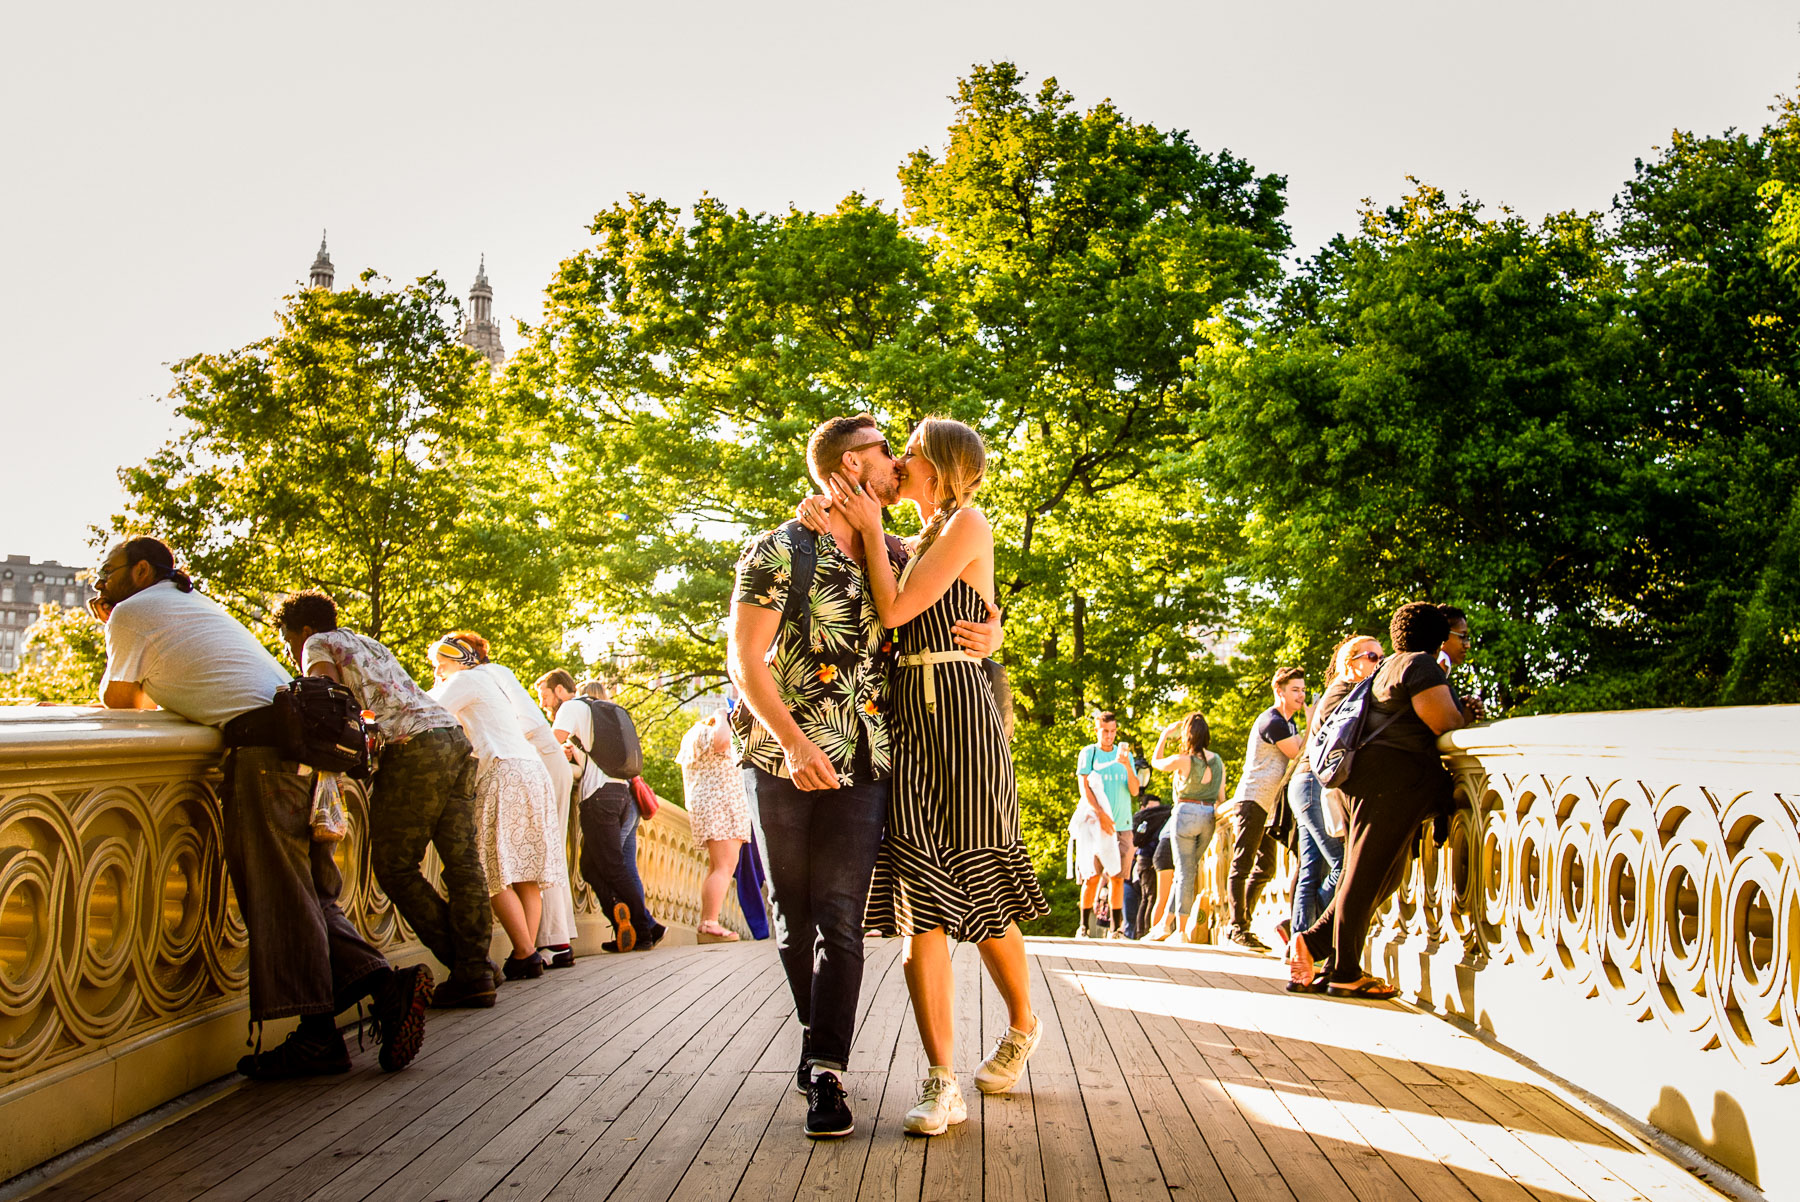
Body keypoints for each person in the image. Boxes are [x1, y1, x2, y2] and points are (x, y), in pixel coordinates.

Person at [728, 413, 1000, 1140]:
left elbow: (956, 599)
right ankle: (823, 1051)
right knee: (795, 918)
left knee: (841, 917)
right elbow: (744, 661)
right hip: (781, 758)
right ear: (852, 467)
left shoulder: (905, 551)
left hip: (867, 759)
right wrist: (791, 742)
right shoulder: (779, 548)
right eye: (887, 452)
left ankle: (826, 1072)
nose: (900, 462)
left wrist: (994, 628)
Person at [94, 538, 429, 1078]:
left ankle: (324, 1032)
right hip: (305, 748)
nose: (99, 585)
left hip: (264, 752)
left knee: (277, 891)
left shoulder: (132, 610)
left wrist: (109, 621)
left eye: (104, 575)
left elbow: (123, 701)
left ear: (138, 572)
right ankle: (379, 991)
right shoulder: (196, 605)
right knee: (309, 891)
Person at [824, 415, 1047, 1138]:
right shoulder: (911, 540)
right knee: (918, 897)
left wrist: (994, 632)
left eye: (910, 452)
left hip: (962, 718)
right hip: (909, 726)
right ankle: (941, 1080)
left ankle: (1021, 1024)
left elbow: (893, 608)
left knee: (981, 892)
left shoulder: (967, 522)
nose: (900, 461)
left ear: (939, 465)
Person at [276, 592, 494, 1010]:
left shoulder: (318, 645)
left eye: (289, 641)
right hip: (452, 737)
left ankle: (471, 968)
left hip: (414, 748)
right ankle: (476, 968)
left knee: (394, 867)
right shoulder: (368, 643)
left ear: (304, 631)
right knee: (463, 862)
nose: (291, 651)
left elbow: (323, 701)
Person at [1289, 603, 1476, 998]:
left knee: (1381, 874)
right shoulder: (1419, 665)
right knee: (1364, 876)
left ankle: (1325, 951)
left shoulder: (1389, 665)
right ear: (1436, 636)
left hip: (1369, 779)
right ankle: (1342, 971)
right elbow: (1446, 723)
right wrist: (1465, 714)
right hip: (1392, 781)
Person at [430, 636, 565, 982]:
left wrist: (436, 685)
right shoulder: (491, 679)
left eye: (439, 665)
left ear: (454, 661)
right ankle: (527, 954)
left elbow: (427, 712)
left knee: (493, 868)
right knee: (525, 871)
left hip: (502, 771)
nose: (437, 672)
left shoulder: (463, 680)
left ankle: (525, 951)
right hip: (532, 771)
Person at [535, 670, 664, 954]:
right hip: (620, 793)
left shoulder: (570, 707)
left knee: (612, 866)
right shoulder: (593, 709)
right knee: (592, 867)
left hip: (598, 797)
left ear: (558, 690)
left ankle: (648, 928)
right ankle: (623, 919)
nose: (543, 703)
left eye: (544, 695)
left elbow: (547, 744)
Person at [1282, 634, 1382, 944]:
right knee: (1345, 863)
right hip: (1314, 784)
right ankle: (1310, 933)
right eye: (1373, 658)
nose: (1380, 664)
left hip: (1305, 783)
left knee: (1312, 867)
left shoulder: (1339, 691)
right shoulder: (1345, 692)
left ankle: (1297, 938)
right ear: (1351, 662)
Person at [1223, 668, 1305, 951]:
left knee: (1266, 867)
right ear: (1279, 691)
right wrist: (1316, 716)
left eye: (1303, 690)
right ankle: (1237, 927)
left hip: (1270, 806)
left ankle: (1242, 923)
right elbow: (1297, 751)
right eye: (1295, 690)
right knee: (1242, 864)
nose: (1301, 695)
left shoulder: (1289, 723)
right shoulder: (1272, 721)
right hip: (1253, 800)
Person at [1150, 711, 1226, 944]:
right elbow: (1221, 797)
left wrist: (1163, 735)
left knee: (1183, 872)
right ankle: (1166, 923)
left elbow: (1155, 762)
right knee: (1187, 873)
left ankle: (1180, 931)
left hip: (1185, 815)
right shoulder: (1218, 761)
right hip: (1208, 818)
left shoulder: (1184, 760)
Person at [675, 711, 748, 943]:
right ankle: (709, 923)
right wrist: (722, 717)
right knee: (724, 867)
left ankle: (709, 921)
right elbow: (722, 741)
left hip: (714, 807)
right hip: (722, 807)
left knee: (718, 866)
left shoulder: (693, 736)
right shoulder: (708, 732)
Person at [1074, 711, 1140, 939]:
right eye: (1105, 731)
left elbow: (1134, 790)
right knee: (1092, 877)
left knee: (1118, 877)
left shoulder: (1125, 757)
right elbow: (1084, 787)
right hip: (1096, 825)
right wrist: (1100, 814)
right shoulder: (1089, 754)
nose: (1109, 736)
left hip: (1122, 824)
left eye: (1113, 731)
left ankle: (1116, 929)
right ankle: (1083, 926)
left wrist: (1128, 766)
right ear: (1097, 731)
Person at [1128, 791, 1171, 939]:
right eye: (1151, 808)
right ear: (1143, 807)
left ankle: (1141, 932)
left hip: (1144, 859)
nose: (1154, 812)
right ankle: (1145, 931)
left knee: (1146, 898)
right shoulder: (1149, 822)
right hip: (1147, 859)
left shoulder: (1146, 821)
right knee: (1150, 897)